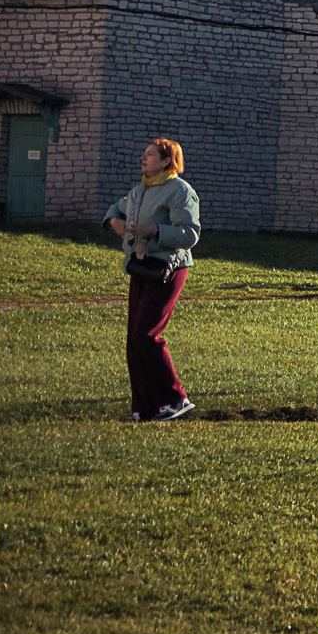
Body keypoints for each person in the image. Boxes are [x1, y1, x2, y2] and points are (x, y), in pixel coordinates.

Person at [105, 136, 202, 421]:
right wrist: (114, 221)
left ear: (167, 161)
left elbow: (190, 233)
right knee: (134, 341)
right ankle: (143, 409)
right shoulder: (140, 190)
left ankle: (176, 400)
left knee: (146, 335)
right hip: (140, 268)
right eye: (144, 154)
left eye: (150, 154)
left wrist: (155, 230)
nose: (143, 158)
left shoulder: (180, 191)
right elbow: (116, 209)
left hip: (168, 270)